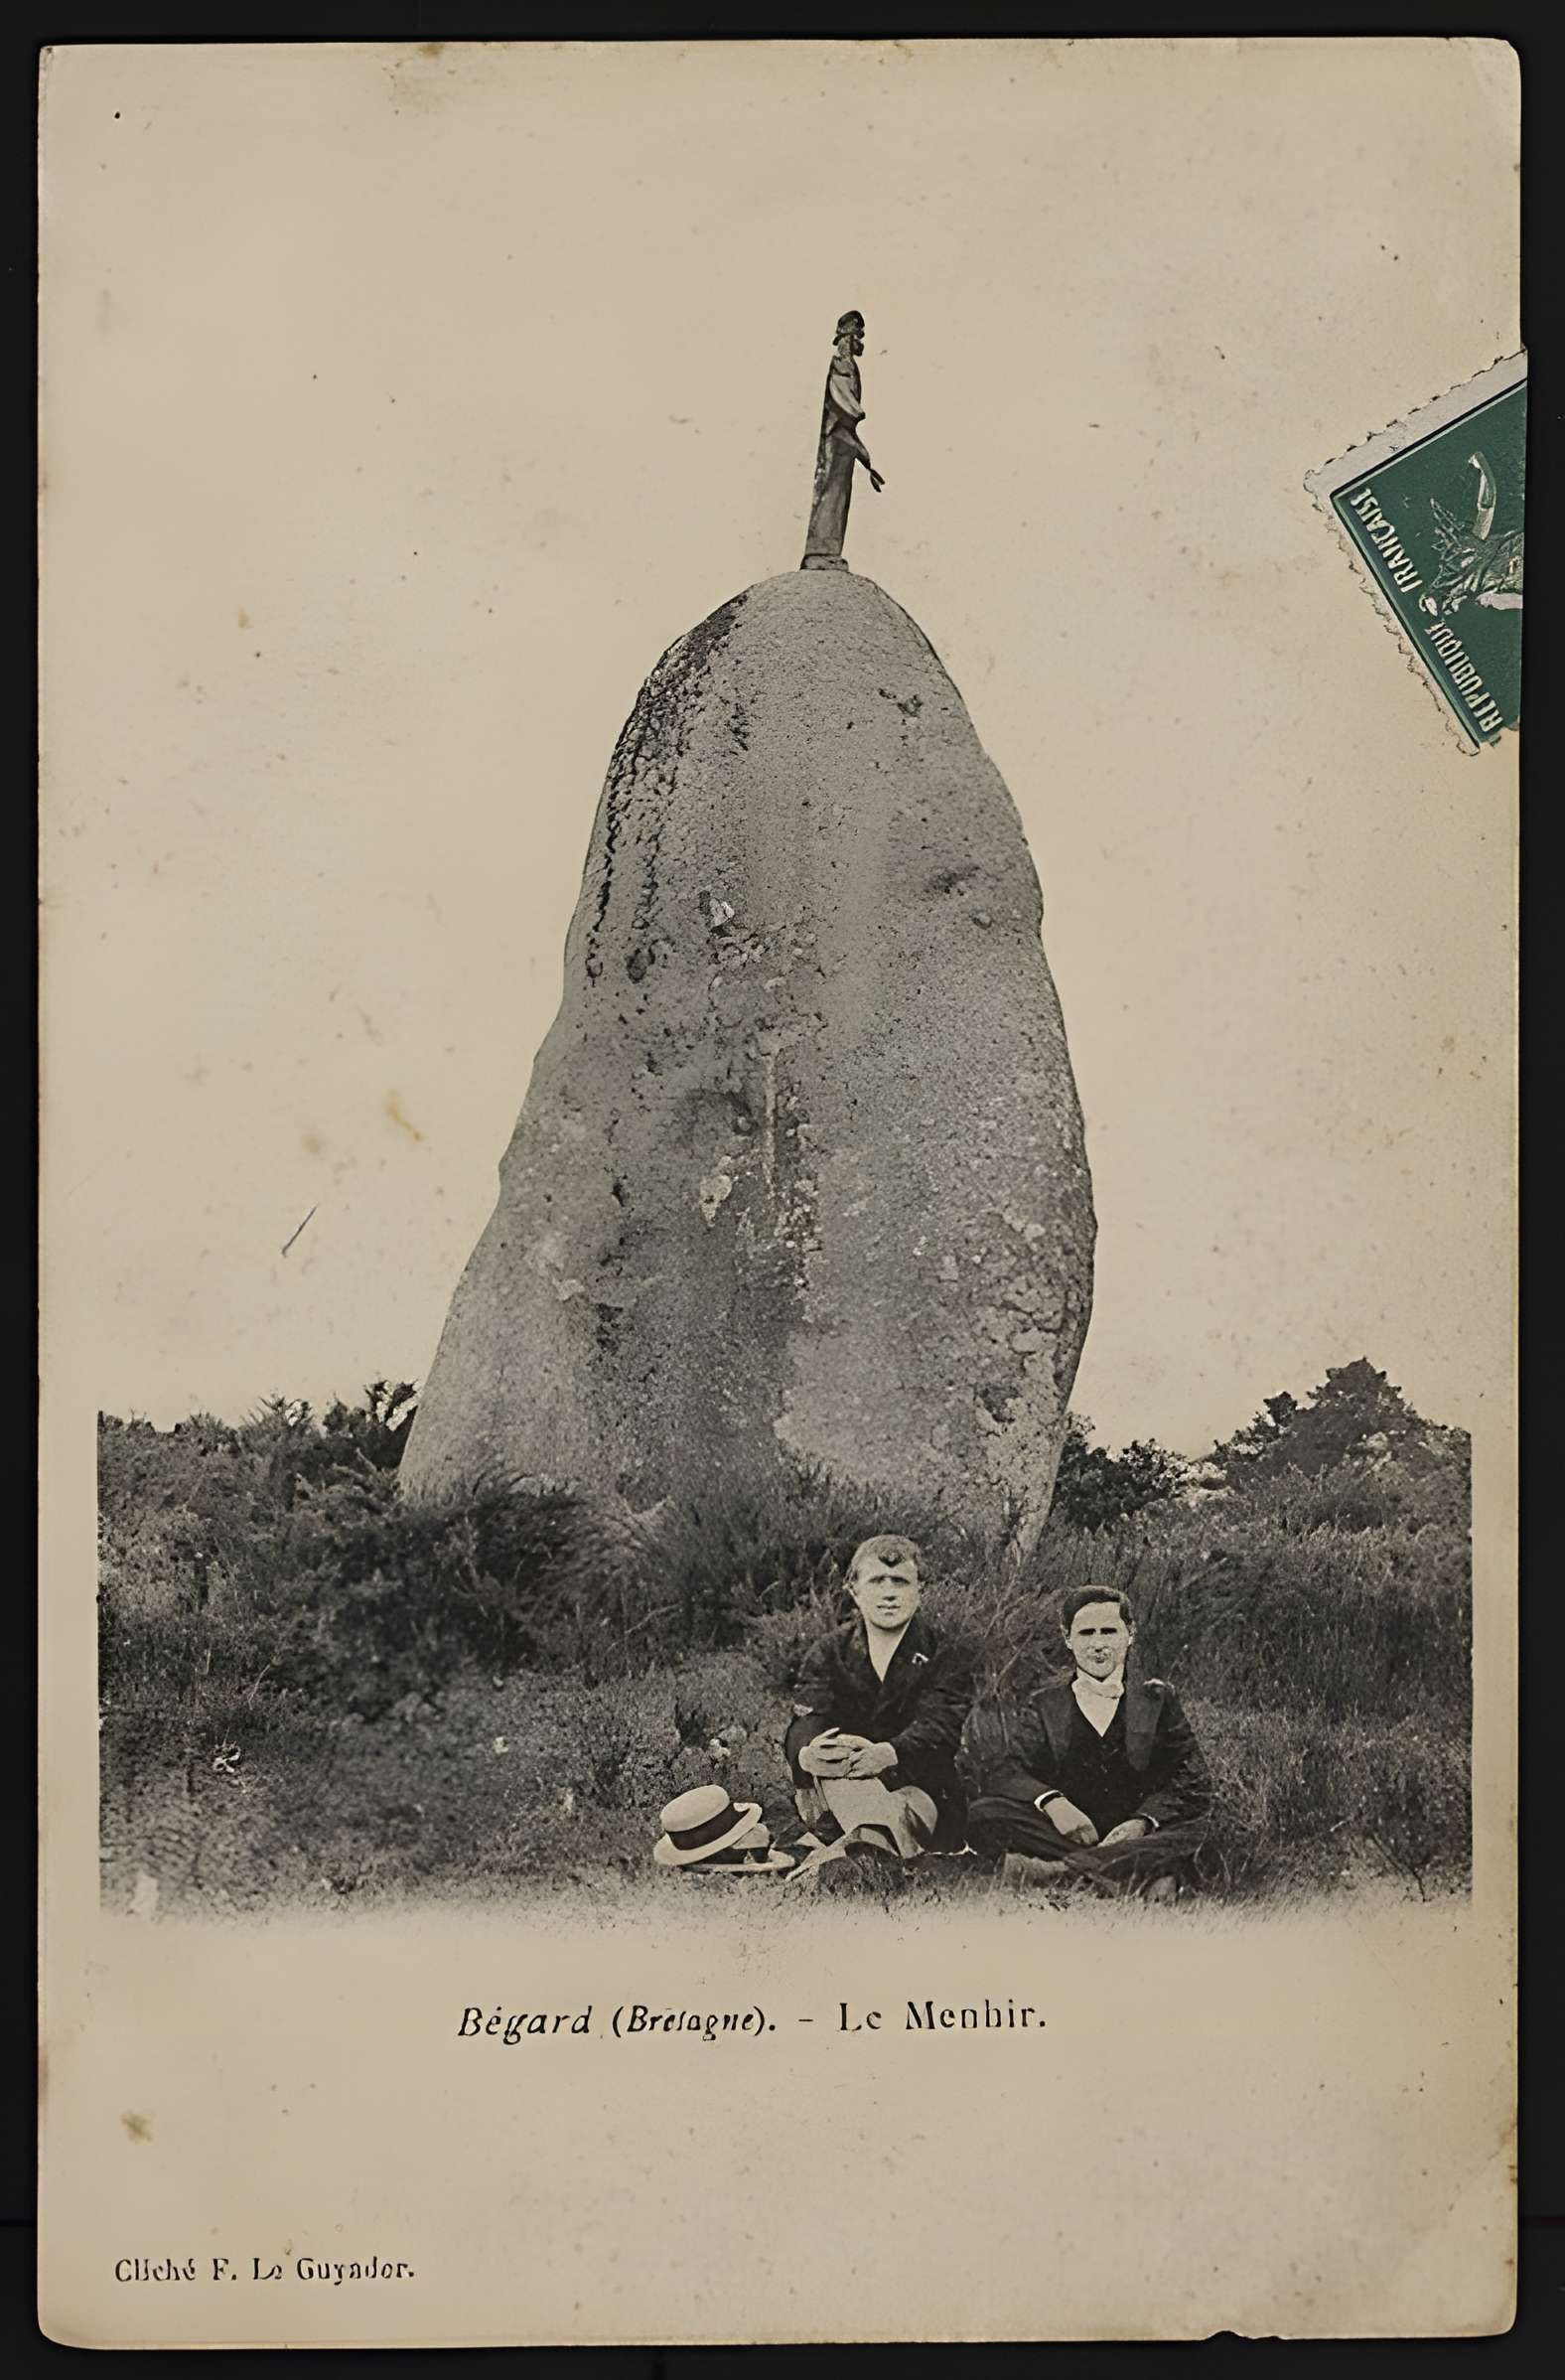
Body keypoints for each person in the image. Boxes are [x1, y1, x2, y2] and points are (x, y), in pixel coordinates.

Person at [965, 1585, 1212, 1899]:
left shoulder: (1157, 1700)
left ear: (1130, 1634)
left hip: (1138, 1833)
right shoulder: (1044, 1704)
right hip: (1067, 1833)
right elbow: (1008, 1770)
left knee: (1203, 1826)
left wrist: (1143, 1821)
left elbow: (1193, 1778)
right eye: (1086, 1633)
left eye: (1109, 1632)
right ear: (1068, 1638)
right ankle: (1133, 1875)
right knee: (985, 1813)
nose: (1097, 1645)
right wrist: (1053, 1803)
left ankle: (1061, 1873)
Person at [782, 1535, 971, 1878]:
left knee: (906, 1806)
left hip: (921, 1787)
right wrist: (810, 1752)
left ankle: (848, 1853)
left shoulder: (944, 1651)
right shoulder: (829, 1651)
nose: (889, 1593)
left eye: (900, 1581)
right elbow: (808, 1716)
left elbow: (942, 1723)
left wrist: (888, 1753)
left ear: (920, 1590)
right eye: (876, 1581)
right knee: (836, 1773)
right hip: (843, 1781)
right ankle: (864, 1849)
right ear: (854, 1590)